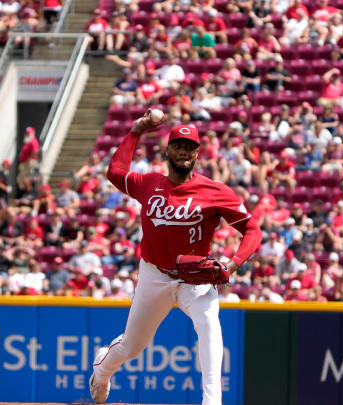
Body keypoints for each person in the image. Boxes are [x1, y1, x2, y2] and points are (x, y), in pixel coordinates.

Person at [90, 110, 262, 405]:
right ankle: (102, 372)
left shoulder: (215, 191)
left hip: (194, 279)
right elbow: (115, 173)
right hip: (154, 276)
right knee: (132, 346)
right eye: (178, 146)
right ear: (167, 150)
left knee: (209, 325)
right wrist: (135, 131)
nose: (184, 152)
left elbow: (252, 229)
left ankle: (212, 401)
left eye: (190, 148)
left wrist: (232, 265)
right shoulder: (149, 183)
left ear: (197, 153)